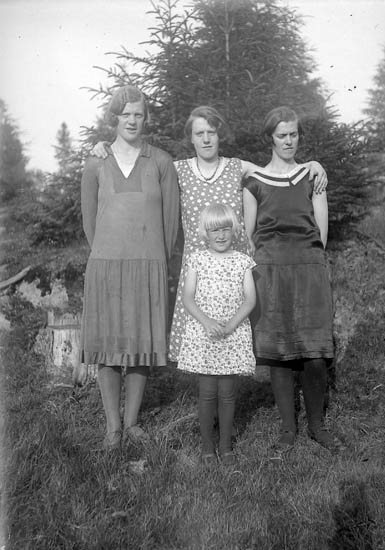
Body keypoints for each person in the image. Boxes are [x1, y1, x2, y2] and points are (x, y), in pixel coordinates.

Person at [91, 106, 328, 362]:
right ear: (191, 138)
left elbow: (278, 170)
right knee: (201, 345)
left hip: (233, 270)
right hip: (198, 271)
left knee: (234, 341)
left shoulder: (238, 167)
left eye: (211, 132)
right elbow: (136, 165)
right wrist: (106, 147)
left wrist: (312, 165)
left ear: (219, 135)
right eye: (199, 133)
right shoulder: (177, 170)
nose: (206, 139)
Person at [80, 85, 179, 450]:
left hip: (148, 265)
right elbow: (89, 220)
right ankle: (113, 427)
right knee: (107, 347)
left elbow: (171, 222)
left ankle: (133, 421)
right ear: (115, 119)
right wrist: (109, 253)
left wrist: (154, 260)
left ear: (145, 118)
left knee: (141, 345)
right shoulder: (96, 162)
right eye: (126, 115)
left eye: (138, 114)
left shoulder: (161, 162)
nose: (132, 121)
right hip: (106, 266)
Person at [243, 106, 337, 451]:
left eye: (293, 134)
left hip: (308, 268)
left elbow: (321, 232)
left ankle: (317, 426)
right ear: (270, 138)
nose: (288, 141)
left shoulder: (312, 176)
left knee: (315, 350)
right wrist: (266, 266)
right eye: (281, 135)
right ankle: (288, 429)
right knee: (278, 351)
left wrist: (309, 261)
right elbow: (249, 235)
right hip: (270, 271)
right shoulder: (254, 182)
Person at [177, 203, 256, 465]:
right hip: (206, 334)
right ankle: (207, 447)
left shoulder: (242, 261)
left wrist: (231, 324)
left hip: (233, 334)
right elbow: (188, 298)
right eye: (214, 230)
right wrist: (207, 322)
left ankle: (226, 446)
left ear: (233, 231)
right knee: (208, 392)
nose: (221, 235)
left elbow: (250, 300)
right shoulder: (197, 260)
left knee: (228, 393)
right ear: (205, 233)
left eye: (225, 229)